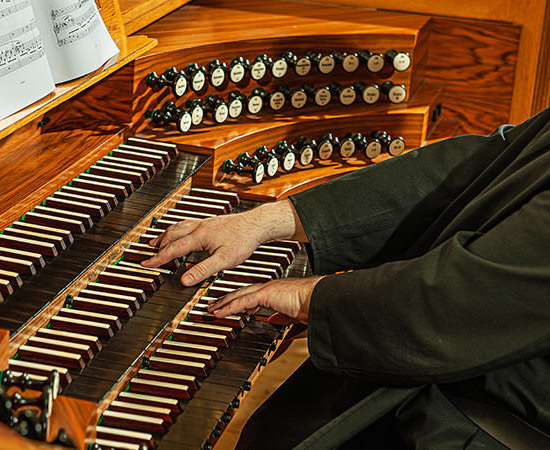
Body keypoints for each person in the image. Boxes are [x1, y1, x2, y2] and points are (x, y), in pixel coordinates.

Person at [141, 107, 550, 449]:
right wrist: (273, 220)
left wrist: (311, 299)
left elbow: (467, 301)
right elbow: (486, 163)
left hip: (467, 426)